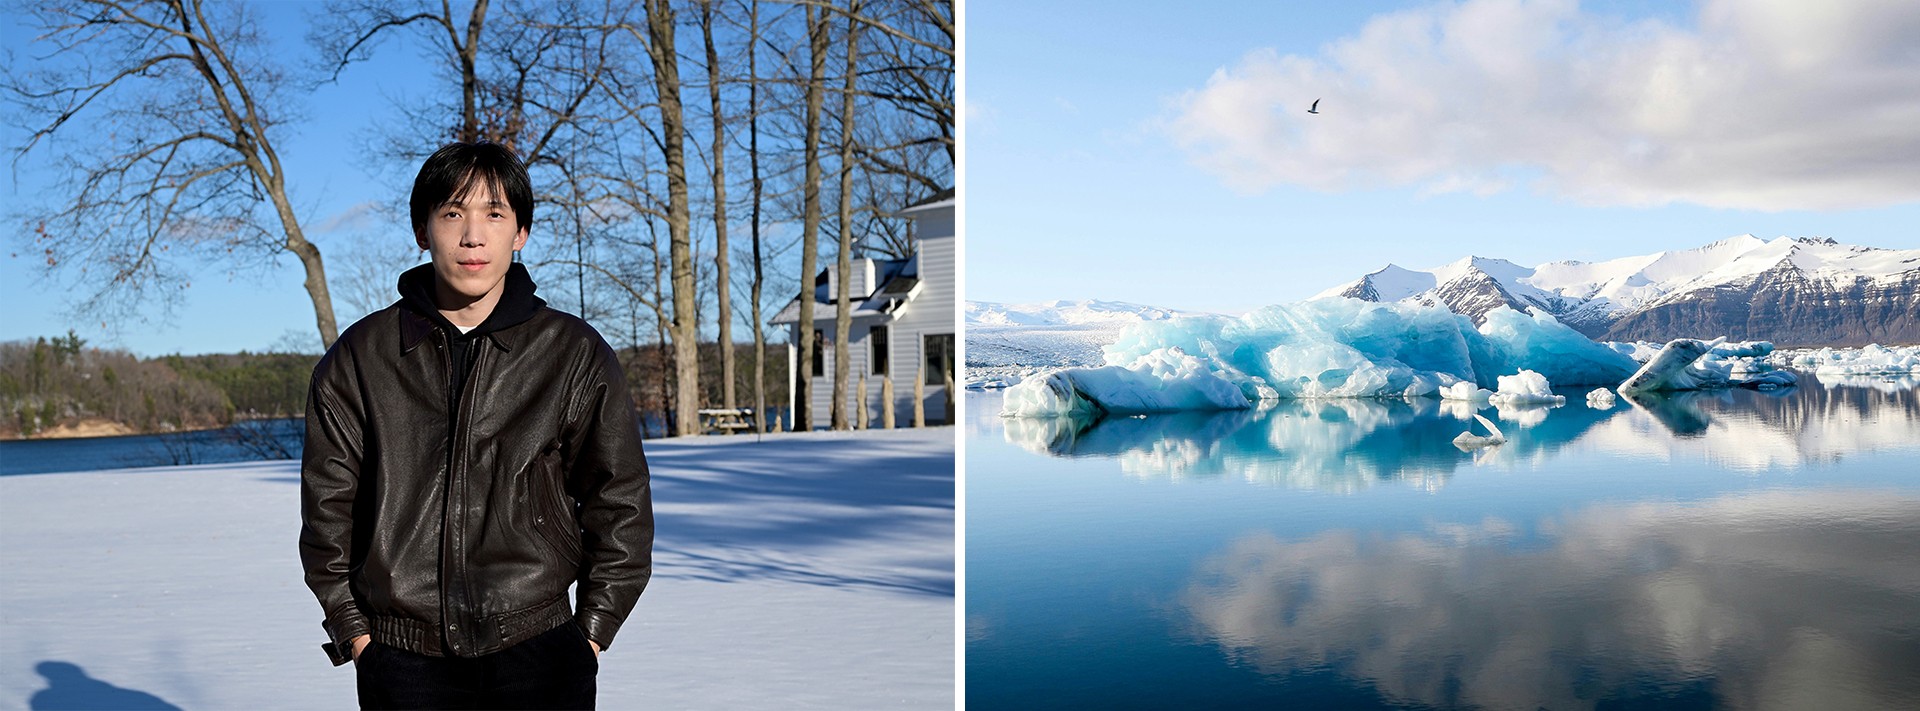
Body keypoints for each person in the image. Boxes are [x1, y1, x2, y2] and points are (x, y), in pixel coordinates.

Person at [299, 141, 654, 710]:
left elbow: (621, 504)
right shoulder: (360, 359)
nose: (473, 236)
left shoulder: (572, 354)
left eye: (494, 213)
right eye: (452, 213)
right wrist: (357, 634)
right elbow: (327, 513)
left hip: (540, 651)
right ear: (423, 230)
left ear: (520, 233)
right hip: (402, 661)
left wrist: (589, 632)